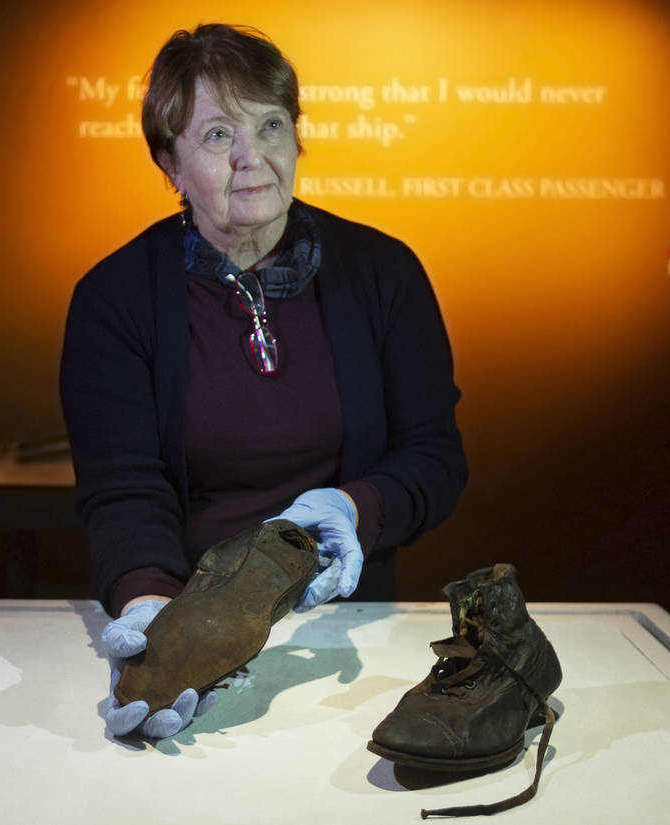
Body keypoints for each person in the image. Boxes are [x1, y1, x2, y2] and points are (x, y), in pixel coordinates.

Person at [60, 23, 467, 739]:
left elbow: (435, 455)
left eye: (271, 125)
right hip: (188, 617)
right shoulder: (113, 296)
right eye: (218, 136)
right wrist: (153, 610)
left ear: (296, 138)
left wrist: (357, 507)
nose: (254, 158)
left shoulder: (385, 272)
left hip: (349, 630)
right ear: (169, 163)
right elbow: (123, 485)